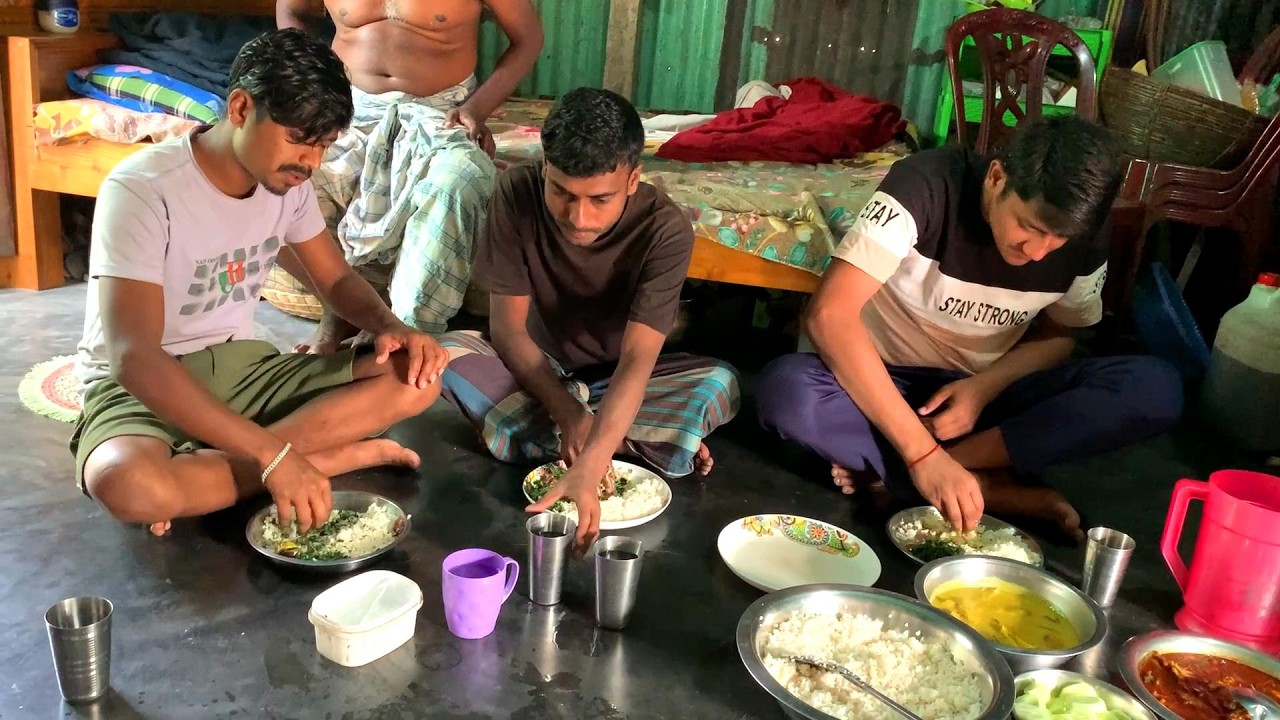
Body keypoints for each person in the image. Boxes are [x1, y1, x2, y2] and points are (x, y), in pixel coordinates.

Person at [71, 29, 449, 538]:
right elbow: (132, 356)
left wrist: (390, 325)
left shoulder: (285, 185)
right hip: (141, 387)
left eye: (324, 145)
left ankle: (219, 475)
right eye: (298, 138)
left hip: (239, 372)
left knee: (415, 378)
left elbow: (334, 278)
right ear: (242, 107)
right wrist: (273, 454)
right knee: (129, 485)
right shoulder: (142, 190)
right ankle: (321, 460)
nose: (310, 163)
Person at [756, 116, 1184, 540]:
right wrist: (921, 453)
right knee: (787, 392)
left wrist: (985, 387)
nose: (1037, 253)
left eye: (1057, 241)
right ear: (997, 178)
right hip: (880, 388)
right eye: (1029, 227)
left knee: (1155, 387)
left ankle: (927, 476)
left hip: (984, 404)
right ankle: (987, 487)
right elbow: (828, 315)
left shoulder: (1081, 232)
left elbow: (1060, 336)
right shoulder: (924, 186)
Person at [438, 88, 742, 549]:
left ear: (634, 178)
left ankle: (567, 443)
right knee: (449, 354)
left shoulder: (665, 229)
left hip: (618, 376)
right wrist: (569, 410)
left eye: (600, 199)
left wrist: (590, 452)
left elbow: (639, 361)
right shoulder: (515, 192)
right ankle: (623, 440)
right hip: (534, 368)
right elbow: (506, 330)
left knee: (718, 382)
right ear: (544, 168)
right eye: (562, 192)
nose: (579, 218)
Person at [276, 0, 544, 352]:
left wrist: (477, 108)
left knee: (459, 181)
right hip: (345, 109)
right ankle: (338, 312)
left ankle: (409, 330)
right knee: (282, 180)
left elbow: (529, 39)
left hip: (442, 113)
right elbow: (294, 12)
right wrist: (312, 87)